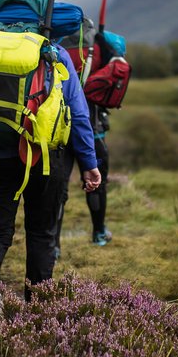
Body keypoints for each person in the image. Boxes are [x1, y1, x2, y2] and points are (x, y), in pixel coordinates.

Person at [0, 44, 100, 347]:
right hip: (46, 159)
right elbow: (78, 113)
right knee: (42, 235)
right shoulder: (53, 52)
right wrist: (89, 164)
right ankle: (37, 320)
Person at [55, 102, 112, 252]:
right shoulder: (88, 77)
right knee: (95, 183)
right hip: (92, 130)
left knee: (58, 188)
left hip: (58, 128)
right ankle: (99, 233)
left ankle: (53, 245)